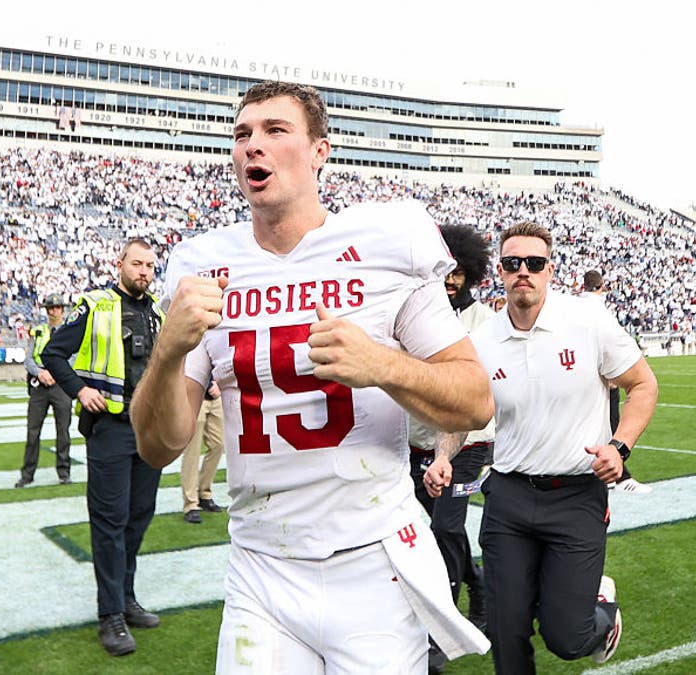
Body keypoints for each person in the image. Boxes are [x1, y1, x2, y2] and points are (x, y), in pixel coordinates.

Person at [131, 81, 494, 673]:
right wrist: (169, 352)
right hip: (260, 563)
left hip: (373, 558)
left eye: (275, 130)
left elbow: (475, 401)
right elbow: (158, 446)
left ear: (320, 151)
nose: (253, 145)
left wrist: (381, 365)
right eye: (242, 134)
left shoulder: (385, 243)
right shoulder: (204, 265)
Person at [467, 222, 658, 673]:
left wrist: (619, 447)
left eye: (534, 263)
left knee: (567, 637)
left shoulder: (587, 320)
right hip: (509, 494)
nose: (524, 271)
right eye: (513, 263)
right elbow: (467, 411)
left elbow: (643, 385)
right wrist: (441, 455)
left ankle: (601, 612)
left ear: (550, 270)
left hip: (575, 497)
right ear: (500, 271)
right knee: (505, 627)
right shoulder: (482, 341)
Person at [40, 238, 164, 657]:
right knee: (110, 521)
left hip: (148, 427)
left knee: (139, 516)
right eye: (137, 263)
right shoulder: (94, 305)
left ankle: (126, 598)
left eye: (150, 265)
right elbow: (53, 353)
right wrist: (79, 390)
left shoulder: (158, 312)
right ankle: (110, 614)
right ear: (120, 263)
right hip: (110, 427)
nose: (144, 271)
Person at [411, 224, 494, 672]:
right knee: (439, 531)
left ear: (471, 274)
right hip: (417, 443)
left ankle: (441, 629)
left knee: (444, 529)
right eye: (444, 270)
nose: (451, 279)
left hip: (468, 444)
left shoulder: (483, 323)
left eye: (459, 271)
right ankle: (479, 586)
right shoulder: (415, 316)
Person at [581, 270, 652, 494]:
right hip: (601, 377)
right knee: (611, 427)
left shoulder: (577, 305)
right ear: (602, 286)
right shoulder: (598, 309)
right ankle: (618, 476)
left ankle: (616, 476)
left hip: (582, 376)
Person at [16, 292, 73, 487]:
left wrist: (56, 373)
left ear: (62, 310)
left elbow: (74, 358)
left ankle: (64, 472)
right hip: (39, 385)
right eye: (51, 308)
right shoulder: (38, 331)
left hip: (61, 385)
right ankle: (27, 474)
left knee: (63, 432)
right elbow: (28, 359)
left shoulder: (70, 331)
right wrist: (40, 373)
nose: (54, 311)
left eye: (57, 308)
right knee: (33, 432)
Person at [180, 379, 223, 524]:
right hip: (194, 395)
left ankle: (204, 493)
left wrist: (219, 383)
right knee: (192, 451)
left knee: (218, 445)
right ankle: (190, 504)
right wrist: (209, 384)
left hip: (216, 396)